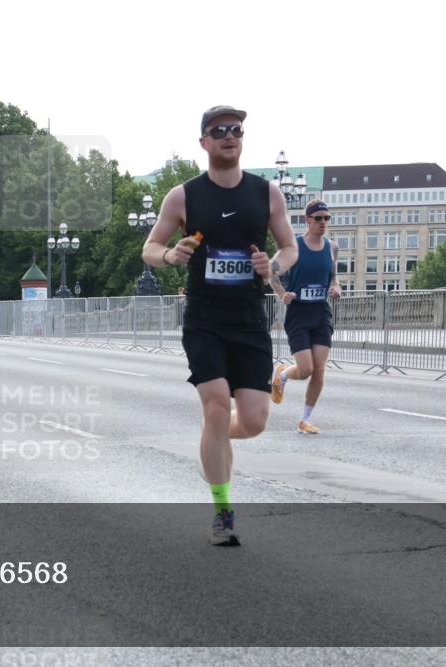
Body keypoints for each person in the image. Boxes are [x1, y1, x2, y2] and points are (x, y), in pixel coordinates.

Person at [142, 106, 298, 546]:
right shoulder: (184, 196)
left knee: (252, 421)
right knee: (214, 405)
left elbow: (290, 249)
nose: (230, 136)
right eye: (220, 131)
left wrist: (273, 265)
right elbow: (150, 247)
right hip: (205, 319)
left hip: (250, 320)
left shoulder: (266, 193)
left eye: (236, 130)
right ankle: (223, 510)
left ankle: (214, 437)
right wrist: (170, 255)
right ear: (204, 142)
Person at [269, 200, 341, 434]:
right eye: (318, 218)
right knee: (305, 369)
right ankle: (282, 374)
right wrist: (282, 294)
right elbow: (271, 272)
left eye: (326, 218)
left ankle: (305, 419)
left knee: (319, 369)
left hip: (321, 311)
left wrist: (336, 287)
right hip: (298, 313)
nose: (323, 222)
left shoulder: (332, 247)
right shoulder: (294, 247)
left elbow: (333, 276)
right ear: (308, 219)